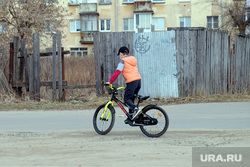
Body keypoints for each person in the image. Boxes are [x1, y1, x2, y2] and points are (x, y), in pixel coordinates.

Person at [106, 46, 142, 120]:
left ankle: (136, 110)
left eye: (119, 54)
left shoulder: (123, 61)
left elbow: (117, 72)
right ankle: (131, 116)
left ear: (121, 53)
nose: (119, 56)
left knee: (126, 99)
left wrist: (110, 81)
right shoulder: (133, 60)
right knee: (130, 100)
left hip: (132, 82)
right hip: (138, 81)